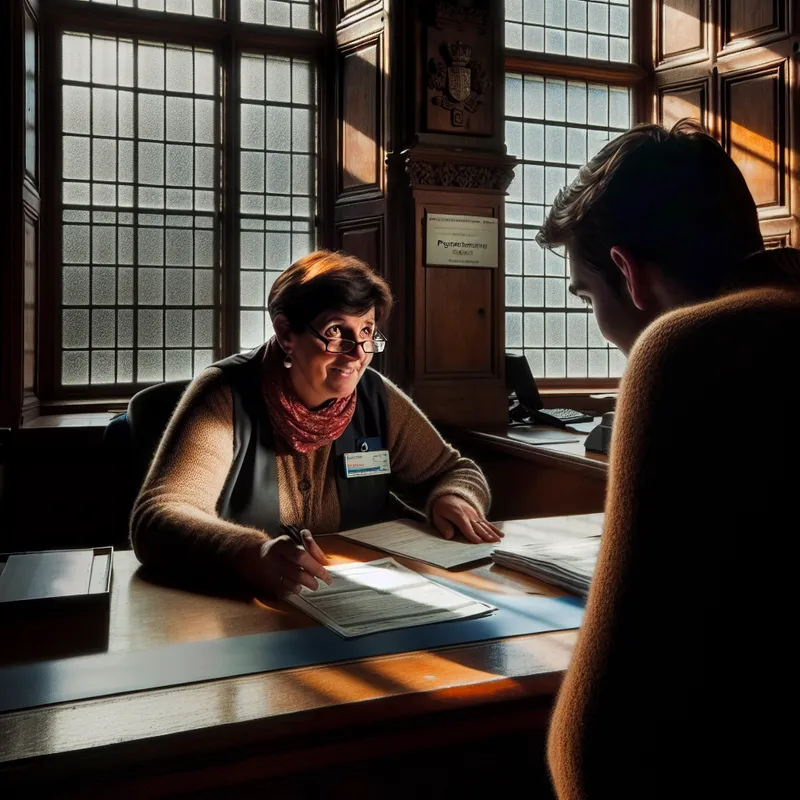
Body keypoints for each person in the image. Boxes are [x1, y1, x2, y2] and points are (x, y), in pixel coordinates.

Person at [537, 119, 800, 799]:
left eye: (589, 295)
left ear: (630, 273)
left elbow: (605, 746)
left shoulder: (690, 348)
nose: (600, 320)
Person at [131, 250, 502, 597]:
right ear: (286, 333)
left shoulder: (374, 396)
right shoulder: (224, 396)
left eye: (367, 331)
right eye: (337, 330)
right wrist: (249, 554)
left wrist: (454, 497)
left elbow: (454, 470)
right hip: (247, 605)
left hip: (368, 595)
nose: (357, 353)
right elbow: (158, 516)